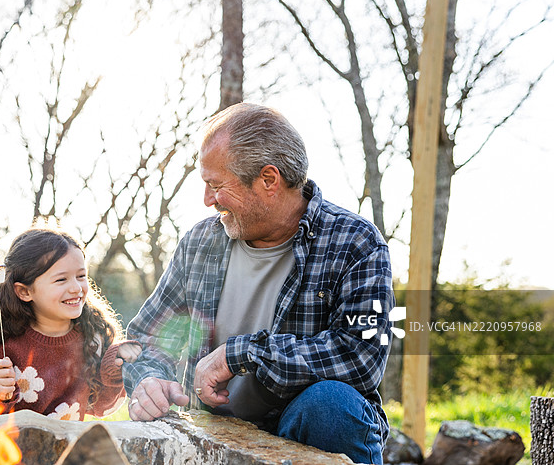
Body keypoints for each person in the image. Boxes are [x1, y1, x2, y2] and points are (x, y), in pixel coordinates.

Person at [123, 103, 394, 464]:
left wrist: (242, 354)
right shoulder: (200, 242)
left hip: (298, 430)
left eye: (216, 185)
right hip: (206, 432)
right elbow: (145, 339)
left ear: (269, 179)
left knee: (332, 406)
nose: (207, 200)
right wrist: (149, 381)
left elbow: (361, 356)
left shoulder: (357, 242)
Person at [0, 227, 141, 420]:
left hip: (65, 454)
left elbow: (102, 408)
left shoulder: (92, 340)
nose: (76, 288)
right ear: (25, 292)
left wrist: (114, 367)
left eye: (81, 276)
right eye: (61, 280)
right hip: (8, 454)